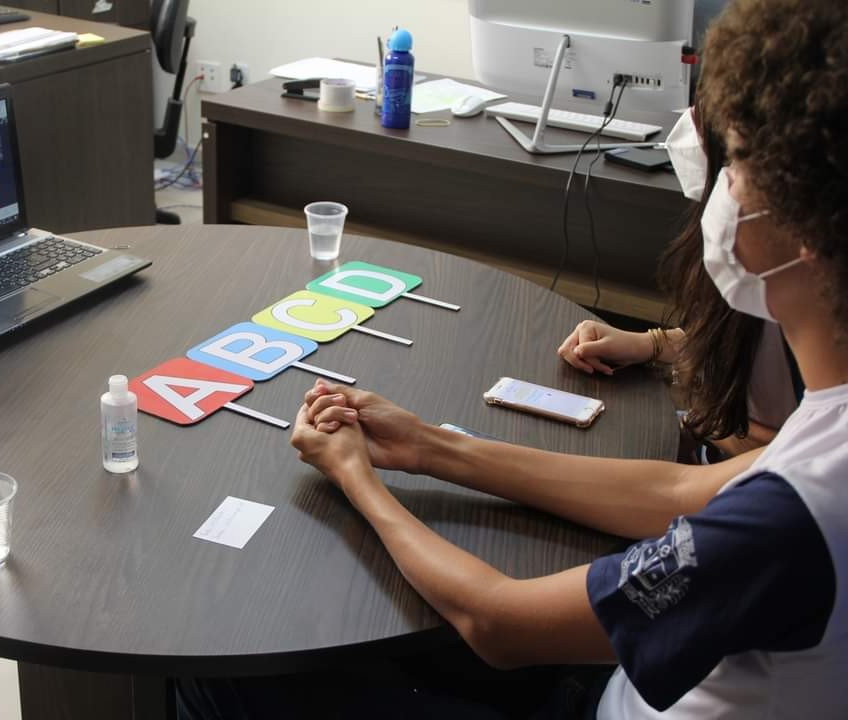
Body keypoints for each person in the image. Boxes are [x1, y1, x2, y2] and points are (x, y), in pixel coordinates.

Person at [181, 1, 848, 717]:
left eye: (737, 168)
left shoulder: (794, 513)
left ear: (802, 223)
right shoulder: (822, 445)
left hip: (609, 702)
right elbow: (673, 499)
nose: (717, 192)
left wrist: (358, 478)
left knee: (225, 682)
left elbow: (499, 623)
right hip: (638, 669)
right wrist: (429, 447)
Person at [556, 105, 800, 460]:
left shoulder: (800, 284)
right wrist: (652, 344)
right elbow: (753, 348)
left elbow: (796, 452)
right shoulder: (766, 273)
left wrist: (456, 452)